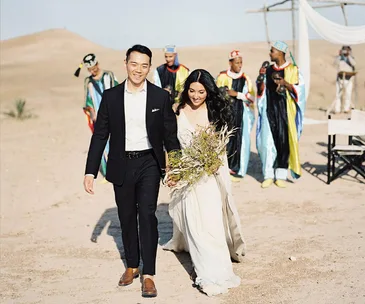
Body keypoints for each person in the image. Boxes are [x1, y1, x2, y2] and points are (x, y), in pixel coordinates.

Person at [83, 44, 180, 298]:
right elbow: (100, 134)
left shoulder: (160, 97)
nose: (139, 70)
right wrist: (90, 171)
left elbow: (170, 135)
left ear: (149, 67)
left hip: (149, 162)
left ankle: (149, 275)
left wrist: (177, 166)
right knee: (126, 217)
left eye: (144, 65)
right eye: (134, 64)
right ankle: (132, 266)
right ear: (126, 63)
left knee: (147, 215)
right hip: (121, 163)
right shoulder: (111, 96)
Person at [163, 69, 246, 296]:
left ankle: (217, 269)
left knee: (210, 224)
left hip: (209, 175)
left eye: (201, 91)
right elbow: (171, 144)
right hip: (187, 176)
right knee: (194, 225)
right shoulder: (177, 111)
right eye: (191, 90)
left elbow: (220, 147)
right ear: (186, 90)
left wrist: (213, 163)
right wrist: (172, 170)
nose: (196, 96)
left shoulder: (214, 112)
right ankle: (203, 268)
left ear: (208, 92)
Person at [256, 41, 306, 188]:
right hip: (269, 109)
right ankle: (268, 175)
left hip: (286, 112)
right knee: (267, 143)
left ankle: (281, 175)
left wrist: (285, 83)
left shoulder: (293, 70)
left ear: (280, 53)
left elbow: (300, 91)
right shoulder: (268, 70)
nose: (270, 53)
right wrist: (260, 80)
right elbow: (261, 91)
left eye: (272, 51)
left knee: (284, 142)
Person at [74, 53, 118, 178]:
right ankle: (107, 172)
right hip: (98, 117)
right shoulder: (88, 81)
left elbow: (118, 92)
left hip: (113, 115)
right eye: (90, 70)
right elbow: (88, 100)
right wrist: (93, 114)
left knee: (116, 141)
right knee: (102, 144)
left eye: (94, 68)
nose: (93, 71)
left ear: (97, 64)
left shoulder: (109, 75)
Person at [216, 50, 255, 180]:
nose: (240, 65)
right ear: (230, 63)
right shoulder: (222, 77)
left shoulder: (245, 78)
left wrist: (237, 94)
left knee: (239, 141)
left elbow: (252, 97)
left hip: (241, 115)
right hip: (225, 115)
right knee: (225, 140)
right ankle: (224, 168)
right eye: (237, 62)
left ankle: (237, 169)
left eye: (241, 62)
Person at [333, 45, 356, 113]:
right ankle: (337, 109)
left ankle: (346, 108)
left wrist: (348, 56)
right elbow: (335, 63)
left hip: (348, 79)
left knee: (348, 93)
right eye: (344, 50)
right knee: (338, 93)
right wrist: (340, 55)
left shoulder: (351, 58)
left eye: (347, 50)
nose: (345, 51)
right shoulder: (339, 58)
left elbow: (354, 64)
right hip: (340, 78)